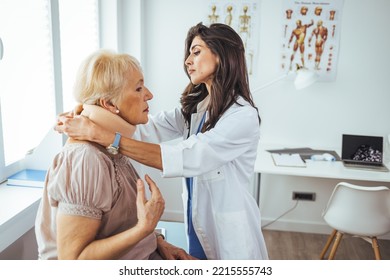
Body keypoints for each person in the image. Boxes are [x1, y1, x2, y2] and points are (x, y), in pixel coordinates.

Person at [55, 22, 269, 260]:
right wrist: (84, 113)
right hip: (198, 225)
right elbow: (145, 128)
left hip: (231, 235)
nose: (188, 61)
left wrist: (103, 135)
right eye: (188, 53)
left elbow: (186, 156)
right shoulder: (197, 109)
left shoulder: (242, 116)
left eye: (196, 52)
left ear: (222, 56)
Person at [35, 49, 194, 260]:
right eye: (138, 88)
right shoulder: (86, 159)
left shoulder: (109, 150)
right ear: (109, 105)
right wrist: (144, 229)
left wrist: (157, 241)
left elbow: (116, 226)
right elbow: (72, 261)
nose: (149, 94)